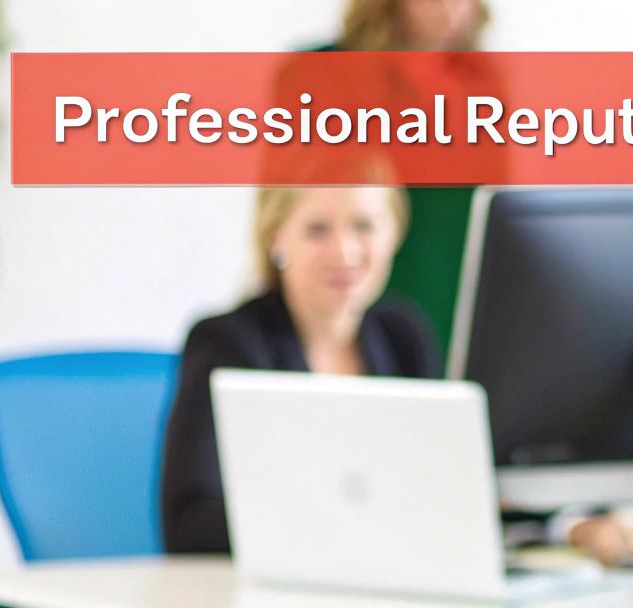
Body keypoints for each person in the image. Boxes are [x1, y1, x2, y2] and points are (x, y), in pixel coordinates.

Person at [161, 185, 437, 553]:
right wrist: (339, 530)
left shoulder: (403, 337)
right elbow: (188, 524)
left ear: (394, 233)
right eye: (317, 230)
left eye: (364, 226)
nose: (345, 251)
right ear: (275, 238)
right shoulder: (226, 343)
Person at [320, 0, 490, 360]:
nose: (452, 11)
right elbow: (293, 223)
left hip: (460, 330)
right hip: (353, 332)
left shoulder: (486, 88)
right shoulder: (319, 78)